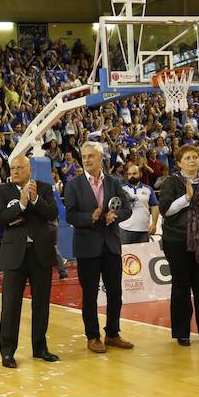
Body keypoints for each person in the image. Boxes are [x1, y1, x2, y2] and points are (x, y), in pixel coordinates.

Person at [64, 141, 135, 354]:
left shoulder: (114, 182)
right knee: (89, 295)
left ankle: (112, 334)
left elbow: (127, 209)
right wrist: (90, 217)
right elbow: (70, 215)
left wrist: (115, 215)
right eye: (84, 157)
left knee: (115, 293)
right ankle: (93, 336)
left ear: (101, 157)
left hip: (111, 245)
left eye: (90, 156)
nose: (86, 160)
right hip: (87, 247)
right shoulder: (74, 184)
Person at [0, 155, 59, 368]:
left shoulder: (44, 188)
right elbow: (0, 218)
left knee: (41, 304)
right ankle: (7, 352)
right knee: (11, 305)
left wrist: (35, 200)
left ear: (29, 169)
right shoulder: (2, 191)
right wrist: (21, 206)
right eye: (12, 168)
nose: (15, 171)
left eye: (19, 168)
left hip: (40, 253)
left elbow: (52, 213)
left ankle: (40, 348)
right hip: (14, 256)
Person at [157, 146, 199, 346]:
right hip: (177, 240)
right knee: (181, 285)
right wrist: (186, 198)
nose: (193, 160)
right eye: (188, 158)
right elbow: (165, 210)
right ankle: (182, 332)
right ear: (179, 162)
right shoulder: (171, 182)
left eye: (195, 157)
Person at [119, 162, 160, 244]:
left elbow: (154, 207)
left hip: (144, 229)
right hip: (125, 229)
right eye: (129, 174)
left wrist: (154, 224)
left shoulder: (148, 189)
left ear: (140, 174)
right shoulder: (121, 189)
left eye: (134, 173)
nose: (131, 176)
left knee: (143, 256)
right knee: (125, 256)